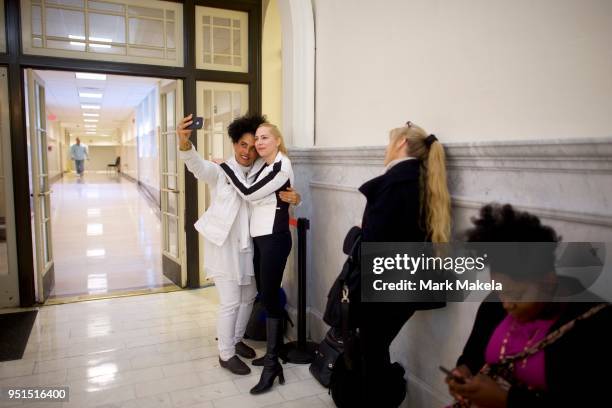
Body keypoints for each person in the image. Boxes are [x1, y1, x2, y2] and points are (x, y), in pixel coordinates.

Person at [445, 204, 612, 407]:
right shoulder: (494, 304)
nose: (506, 304)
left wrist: (506, 401)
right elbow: (473, 355)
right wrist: (463, 372)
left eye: (516, 294)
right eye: (499, 291)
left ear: (548, 281)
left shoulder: (594, 324)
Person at [176, 114, 300, 376]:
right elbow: (198, 167)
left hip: (250, 245)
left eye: (252, 146)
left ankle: (235, 339)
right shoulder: (220, 171)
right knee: (231, 301)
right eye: (242, 145)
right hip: (224, 246)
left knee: (247, 297)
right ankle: (226, 353)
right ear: (234, 144)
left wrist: (294, 197)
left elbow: (277, 197)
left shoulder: (261, 171)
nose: (247, 151)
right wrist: (185, 143)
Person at [359, 121, 451, 406]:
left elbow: (377, 239)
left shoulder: (396, 182)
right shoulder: (422, 178)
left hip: (391, 280)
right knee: (375, 346)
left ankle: (382, 399)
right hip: (409, 281)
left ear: (400, 144)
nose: (386, 149)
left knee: (371, 348)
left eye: (389, 142)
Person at [219, 123, 295, 394]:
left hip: (274, 239)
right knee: (266, 296)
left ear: (277, 140)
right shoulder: (264, 165)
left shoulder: (280, 167)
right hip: (261, 239)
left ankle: (272, 364)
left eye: (264, 138)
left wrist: (225, 167)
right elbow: (252, 187)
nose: (259, 143)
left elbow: (249, 193)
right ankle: (274, 358)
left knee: (270, 296)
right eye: (257, 139)